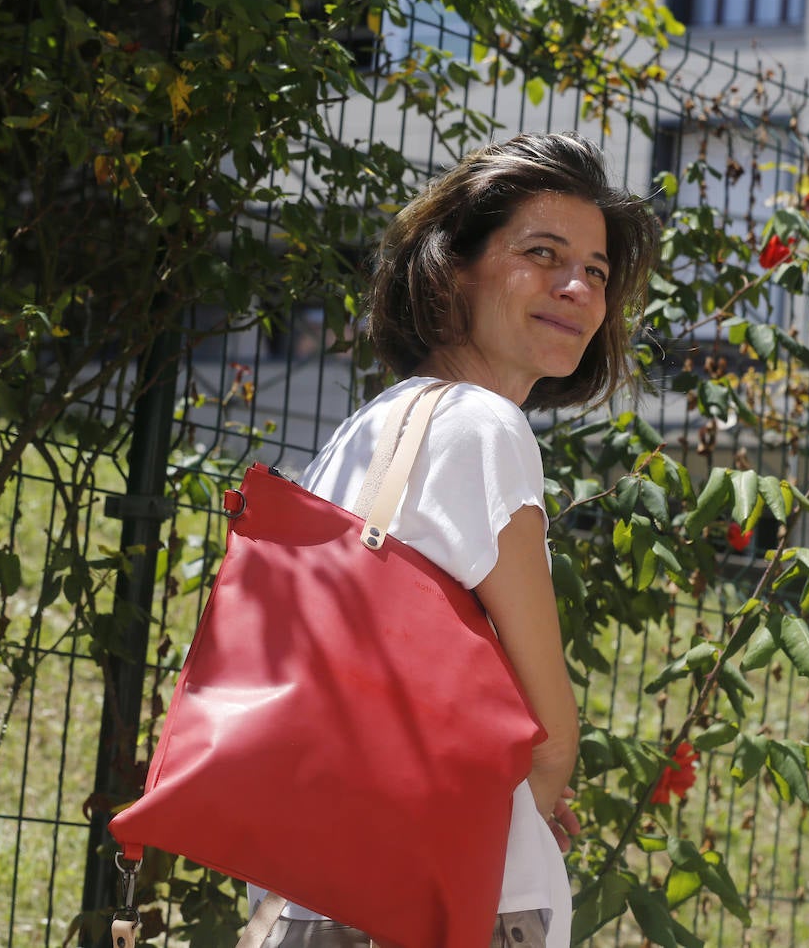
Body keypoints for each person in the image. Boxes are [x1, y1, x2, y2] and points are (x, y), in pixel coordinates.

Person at [250, 132, 659, 947]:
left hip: (313, 891)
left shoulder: (370, 426)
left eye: (599, 270)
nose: (577, 285)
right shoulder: (483, 425)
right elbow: (550, 733)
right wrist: (540, 796)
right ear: (452, 268)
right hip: (441, 900)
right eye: (541, 253)